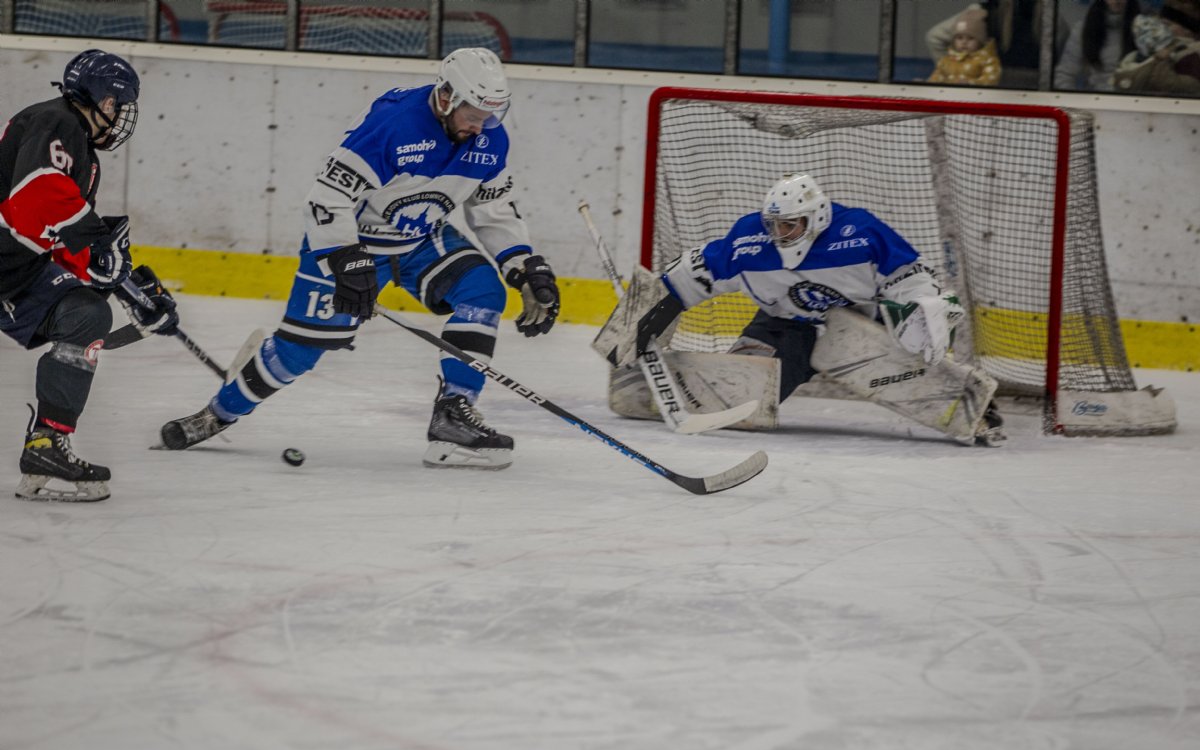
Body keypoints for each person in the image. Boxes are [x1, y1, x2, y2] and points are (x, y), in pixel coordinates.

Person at [159, 48, 561, 470]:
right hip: (350, 242)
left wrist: (522, 265)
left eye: (491, 115)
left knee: (482, 291)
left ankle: (453, 414)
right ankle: (217, 414)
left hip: (418, 239)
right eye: (474, 112)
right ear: (446, 97)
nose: (481, 125)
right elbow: (327, 199)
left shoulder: (489, 138)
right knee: (299, 351)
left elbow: (493, 209)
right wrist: (346, 258)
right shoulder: (394, 125)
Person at [592, 173, 1005, 447]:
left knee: (899, 351)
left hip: (860, 322)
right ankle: (646, 389)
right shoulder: (748, 242)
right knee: (742, 398)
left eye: (790, 225)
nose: (780, 234)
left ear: (816, 218)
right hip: (783, 324)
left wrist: (921, 309)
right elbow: (686, 277)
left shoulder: (858, 233)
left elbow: (911, 276)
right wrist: (641, 322)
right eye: (774, 225)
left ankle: (972, 409)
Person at [1, 49, 179, 502]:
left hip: (14, 270)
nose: (119, 116)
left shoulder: (81, 151)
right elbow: (35, 197)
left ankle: (46, 444)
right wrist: (97, 247)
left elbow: (64, 239)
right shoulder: (56, 121)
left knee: (86, 314)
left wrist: (131, 289)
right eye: (117, 104)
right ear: (100, 98)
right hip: (8, 263)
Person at [927, 1, 1069, 88]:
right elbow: (935, 38)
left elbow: (934, 37)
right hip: (1014, 91)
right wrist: (954, 70)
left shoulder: (1050, 14)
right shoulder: (981, 13)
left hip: (1023, 91)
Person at [1113, 0, 1200, 94]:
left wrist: (1161, 60)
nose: (1161, 29)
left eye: (1167, 25)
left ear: (1188, 30)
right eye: (1159, 24)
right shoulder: (1140, 54)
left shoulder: (1189, 57)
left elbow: (1182, 89)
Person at [1054, 0, 1142, 90]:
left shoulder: (1144, 30)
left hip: (1132, 99)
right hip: (1094, 100)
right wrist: (1072, 102)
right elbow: (1064, 75)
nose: (1117, 1)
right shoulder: (1083, 30)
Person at [928, 8, 1003, 85]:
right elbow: (936, 78)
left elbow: (990, 81)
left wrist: (970, 83)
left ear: (980, 41)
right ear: (953, 41)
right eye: (959, 38)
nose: (964, 42)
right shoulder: (946, 60)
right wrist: (926, 84)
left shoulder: (988, 60)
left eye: (970, 38)